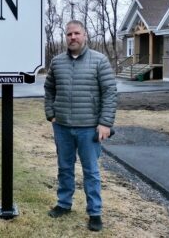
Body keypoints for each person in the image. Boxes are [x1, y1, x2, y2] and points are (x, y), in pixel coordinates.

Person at [44, 20, 117, 231]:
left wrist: (105, 123)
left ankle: (94, 212)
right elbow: (49, 90)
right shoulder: (57, 62)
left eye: (76, 33)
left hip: (89, 128)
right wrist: (51, 114)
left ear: (84, 35)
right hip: (63, 127)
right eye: (69, 34)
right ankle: (64, 204)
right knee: (64, 168)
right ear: (65, 37)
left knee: (91, 171)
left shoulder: (99, 61)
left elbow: (110, 93)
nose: (73, 37)